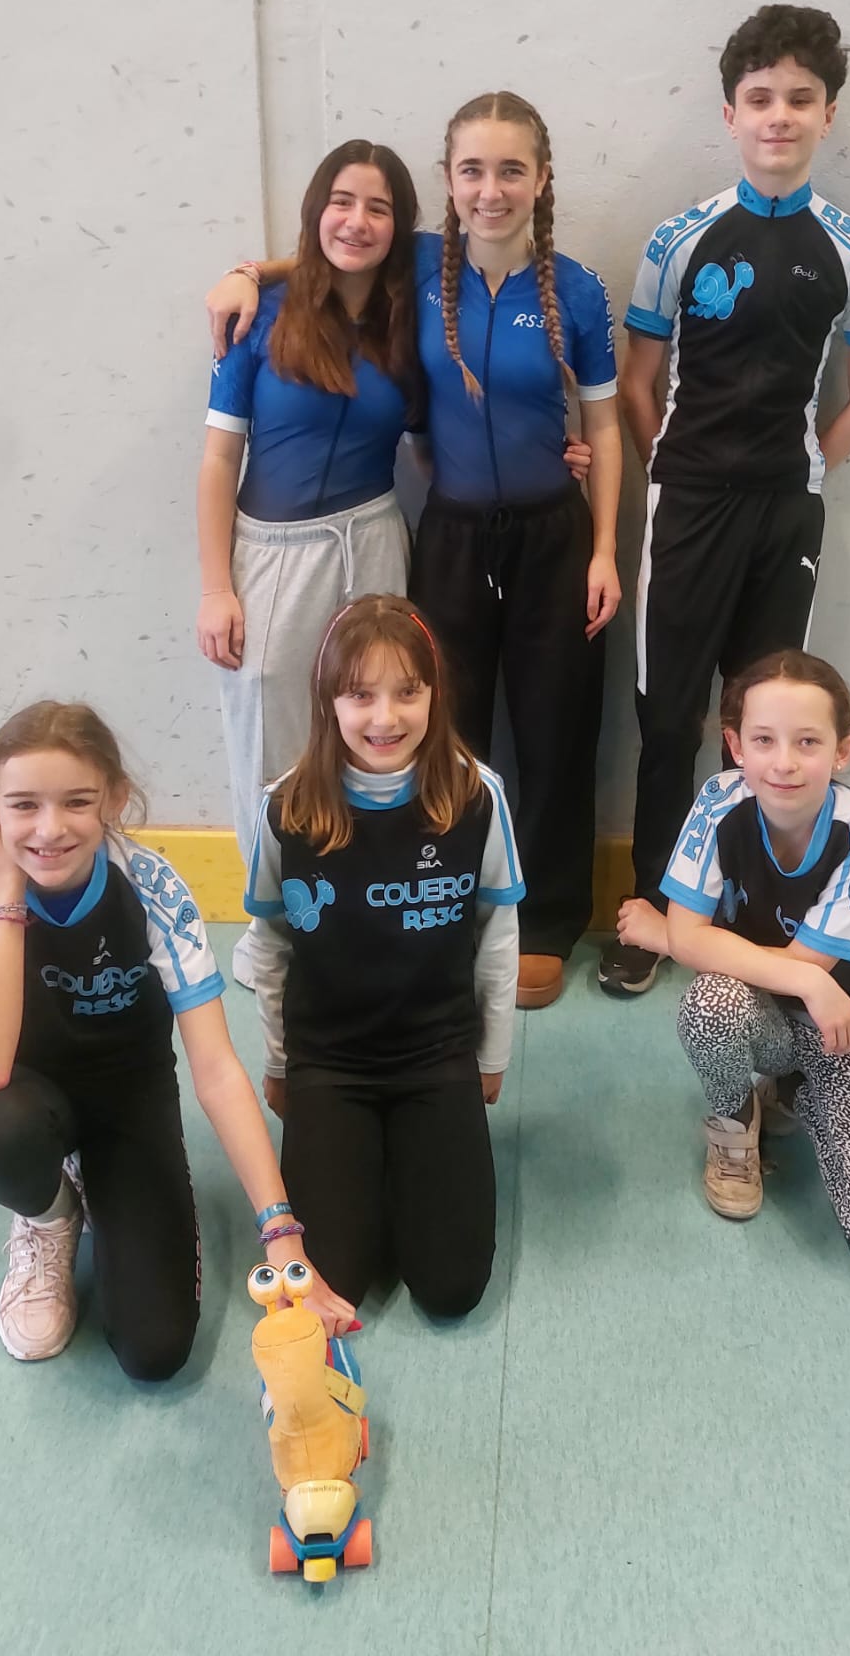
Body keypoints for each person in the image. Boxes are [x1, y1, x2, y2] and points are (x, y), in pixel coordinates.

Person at [207, 92, 621, 1010]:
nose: (490, 190)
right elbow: (335, 249)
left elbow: (604, 425)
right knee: (439, 730)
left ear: (542, 179)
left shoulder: (577, 289)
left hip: (550, 533)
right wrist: (247, 272)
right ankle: (446, 905)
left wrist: (604, 547)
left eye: (511, 170)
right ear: (448, 181)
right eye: (472, 170)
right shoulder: (427, 266)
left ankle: (548, 922)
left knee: (554, 730)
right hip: (448, 534)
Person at [0, 700, 352, 1376]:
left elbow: (216, 1069)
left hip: (129, 1098)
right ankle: (51, 1215)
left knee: (155, 1352)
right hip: (25, 1095)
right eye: (24, 805)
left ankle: (110, 1190)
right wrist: (6, 891)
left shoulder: (152, 888)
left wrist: (281, 1231)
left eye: (77, 802)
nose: (50, 829)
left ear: (115, 799)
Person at [601, 5, 850, 998]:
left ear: (828, 114)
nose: (780, 115)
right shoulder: (678, 236)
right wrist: (674, 465)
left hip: (785, 514)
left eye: (800, 99)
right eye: (760, 98)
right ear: (730, 113)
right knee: (668, 720)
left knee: (764, 723)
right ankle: (653, 912)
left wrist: (806, 466)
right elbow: (637, 383)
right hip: (686, 506)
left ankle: (749, 918)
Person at [241, 595, 523, 1318]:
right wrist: (280, 1064)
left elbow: (498, 935)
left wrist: (491, 1056)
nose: (385, 717)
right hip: (329, 1062)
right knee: (336, 1275)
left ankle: (409, 1157)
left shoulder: (476, 795)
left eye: (407, 692)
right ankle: (374, 1159)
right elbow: (269, 948)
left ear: (435, 695)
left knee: (451, 1288)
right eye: (360, 694)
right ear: (328, 701)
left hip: (437, 1053)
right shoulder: (286, 807)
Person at [198, 140, 421, 995]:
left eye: (378, 207)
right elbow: (218, 461)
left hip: (374, 544)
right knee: (270, 746)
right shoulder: (258, 319)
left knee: (378, 733)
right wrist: (217, 587)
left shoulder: (411, 317)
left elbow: (434, 446)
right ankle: (274, 930)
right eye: (341, 201)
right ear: (314, 210)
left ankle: (363, 915)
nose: (356, 221)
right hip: (271, 555)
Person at [662, 651, 850, 1278]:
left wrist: (677, 937)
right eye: (763, 740)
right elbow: (701, 944)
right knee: (710, 1003)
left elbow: (701, 941)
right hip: (763, 1009)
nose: (783, 762)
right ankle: (737, 1118)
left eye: (807, 741)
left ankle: (794, 1094)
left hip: (842, 1028)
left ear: (843, 751)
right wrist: (688, 940)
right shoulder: (719, 801)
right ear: (735, 746)